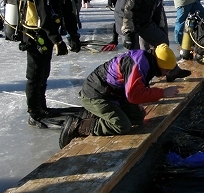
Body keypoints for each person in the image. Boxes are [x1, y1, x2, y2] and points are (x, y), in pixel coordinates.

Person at [59, 43, 191, 148]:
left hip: (114, 94)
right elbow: (133, 95)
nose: (167, 74)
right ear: (159, 65)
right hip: (96, 94)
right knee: (122, 125)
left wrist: (138, 101)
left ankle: (94, 114)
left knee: (138, 117)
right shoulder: (138, 65)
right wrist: (162, 93)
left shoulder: (148, 61)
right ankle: (79, 125)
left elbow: (135, 86)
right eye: (166, 71)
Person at [24, 0, 82, 127]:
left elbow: (68, 11)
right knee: (35, 74)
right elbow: (45, 16)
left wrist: (73, 35)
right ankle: (34, 112)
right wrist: (57, 40)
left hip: (47, 34)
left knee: (44, 72)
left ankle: (42, 107)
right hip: (35, 34)